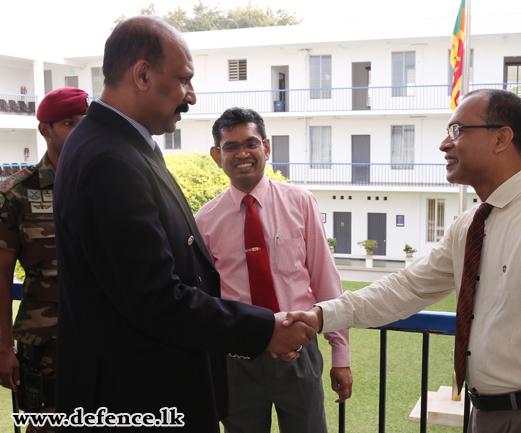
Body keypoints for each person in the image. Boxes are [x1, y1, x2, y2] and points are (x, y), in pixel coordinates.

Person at [287, 89, 521, 433]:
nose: (445, 144)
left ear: (501, 138)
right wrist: (322, 315)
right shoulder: (470, 225)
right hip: (483, 415)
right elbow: (407, 288)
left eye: (458, 131)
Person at [53, 16, 314, 431]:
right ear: (142, 74)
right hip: (135, 398)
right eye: (183, 80)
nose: (190, 96)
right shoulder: (109, 159)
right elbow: (155, 298)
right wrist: (264, 328)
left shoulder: (122, 145)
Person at [195, 108, 353, 433]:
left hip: (299, 352)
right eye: (230, 146)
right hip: (237, 361)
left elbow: (325, 280)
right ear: (216, 155)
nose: (242, 154)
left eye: (251, 143)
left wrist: (341, 355)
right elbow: (206, 299)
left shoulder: (301, 203)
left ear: (267, 147)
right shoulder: (205, 222)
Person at [0, 87, 88, 433]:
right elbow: (3, 276)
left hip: (102, 339)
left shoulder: (106, 185)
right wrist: (4, 348)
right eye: (69, 123)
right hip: (44, 346)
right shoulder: (17, 193)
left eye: (85, 123)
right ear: (45, 130)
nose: (80, 131)